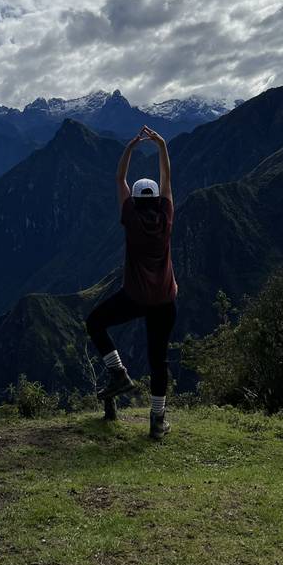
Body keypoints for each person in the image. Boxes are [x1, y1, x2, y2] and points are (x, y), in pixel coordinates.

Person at [85, 124, 178, 441]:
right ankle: (156, 421)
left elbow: (118, 179)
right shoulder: (166, 216)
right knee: (158, 359)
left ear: (135, 200)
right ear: (156, 200)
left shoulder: (130, 216)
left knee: (95, 322)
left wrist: (130, 148)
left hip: (135, 297)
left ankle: (118, 372)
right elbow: (167, 181)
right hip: (165, 300)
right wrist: (162, 147)